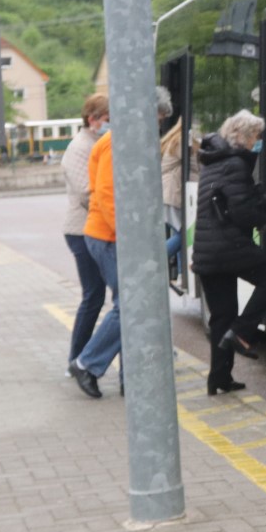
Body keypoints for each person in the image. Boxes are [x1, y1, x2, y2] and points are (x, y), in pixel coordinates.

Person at [70, 86, 172, 398]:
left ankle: (131, 376)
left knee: (129, 304)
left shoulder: (123, 140)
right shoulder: (118, 142)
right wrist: (131, 237)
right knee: (131, 304)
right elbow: (106, 193)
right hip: (109, 237)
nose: (158, 125)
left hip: (111, 236)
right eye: (157, 119)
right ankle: (87, 363)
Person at [193, 111, 266, 394]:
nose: (258, 142)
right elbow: (244, 212)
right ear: (245, 136)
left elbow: (240, 201)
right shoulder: (235, 164)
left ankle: (219, 378)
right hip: (228, 247)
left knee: (221, 316)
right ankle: (243, 332)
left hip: (208, 251)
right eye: (256, 136)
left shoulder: (212, 163)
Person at [61, 93, 110, 372]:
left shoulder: (95, 143)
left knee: (97, 296)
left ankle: (80, 357)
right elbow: (86, 192)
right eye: (107, 119)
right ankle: (77, 358)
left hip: (92, 228)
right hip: (81, 230)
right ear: (92, 119)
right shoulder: (80, 148)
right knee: (94, 295)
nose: (111, 124)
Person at [160, 115, 185, 279]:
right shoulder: (181, 141)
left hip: (170, 193)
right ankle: (155, 259)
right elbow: (195, 165)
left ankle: (183, 275)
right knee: (183, 235)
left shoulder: (174, 138)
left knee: (180, 233)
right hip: (174, 194)